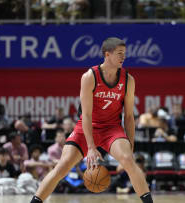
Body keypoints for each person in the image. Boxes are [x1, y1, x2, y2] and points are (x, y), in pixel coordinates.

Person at [30, 37, 152, 203]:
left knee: (129, 161)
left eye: (124, 54)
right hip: (87, 127)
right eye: (119, 53)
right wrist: (91, 148)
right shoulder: (89, 76)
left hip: (111, 129)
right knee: (62, 166)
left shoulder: (128, 80)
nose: (123, 57)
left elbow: (129, 117)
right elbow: (86, 115)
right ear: (107, 54)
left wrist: (130, 146)